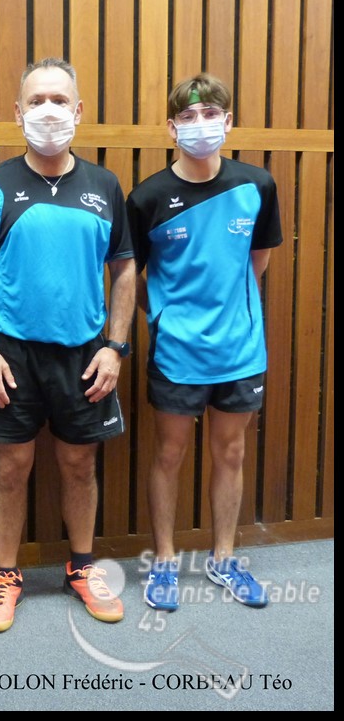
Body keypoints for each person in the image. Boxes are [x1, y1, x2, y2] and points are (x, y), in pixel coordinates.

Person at [0, 58, 136, 633]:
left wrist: (115, 347)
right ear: (18, 112)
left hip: (85, 354)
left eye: (59, 100)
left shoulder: (105, 186)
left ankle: (81, 568)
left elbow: (125, 269)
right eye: (36, 101)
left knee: (79, 464)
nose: (48, 111)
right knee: (12, 466)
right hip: (11, 356)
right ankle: (6, 577)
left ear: (78, 111)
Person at [126, 73, 283, 612]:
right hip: (177, 352)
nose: (200, 124)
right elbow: (130, 277)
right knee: (169, 453)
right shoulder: (147, 197)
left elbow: (257, 260)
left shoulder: (257, 185)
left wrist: (229, 307)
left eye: (211, 113)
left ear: (228, 121)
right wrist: (165, 314)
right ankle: (164, 561)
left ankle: (224, 558)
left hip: (240, 350)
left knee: (231, 452)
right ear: (172, 128)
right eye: (188, 116)